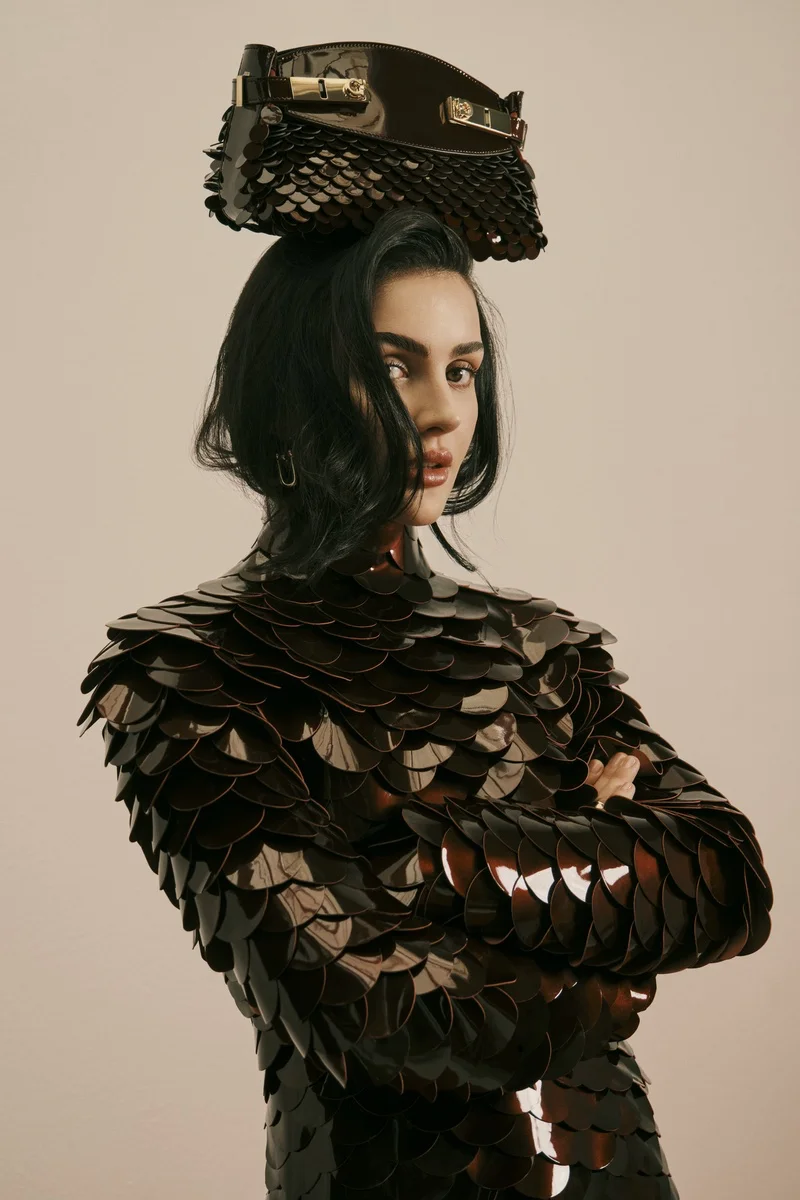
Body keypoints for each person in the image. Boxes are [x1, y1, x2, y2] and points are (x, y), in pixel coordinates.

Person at [78, 45, 773, 1200]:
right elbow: (374, 1017)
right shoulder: (186, 671)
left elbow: (724, 876)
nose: (442, 414)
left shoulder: (540, 645)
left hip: (616, 1169)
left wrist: (429, 859)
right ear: (299, 380)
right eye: (395, 365)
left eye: (461, 369)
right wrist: (599, 898)